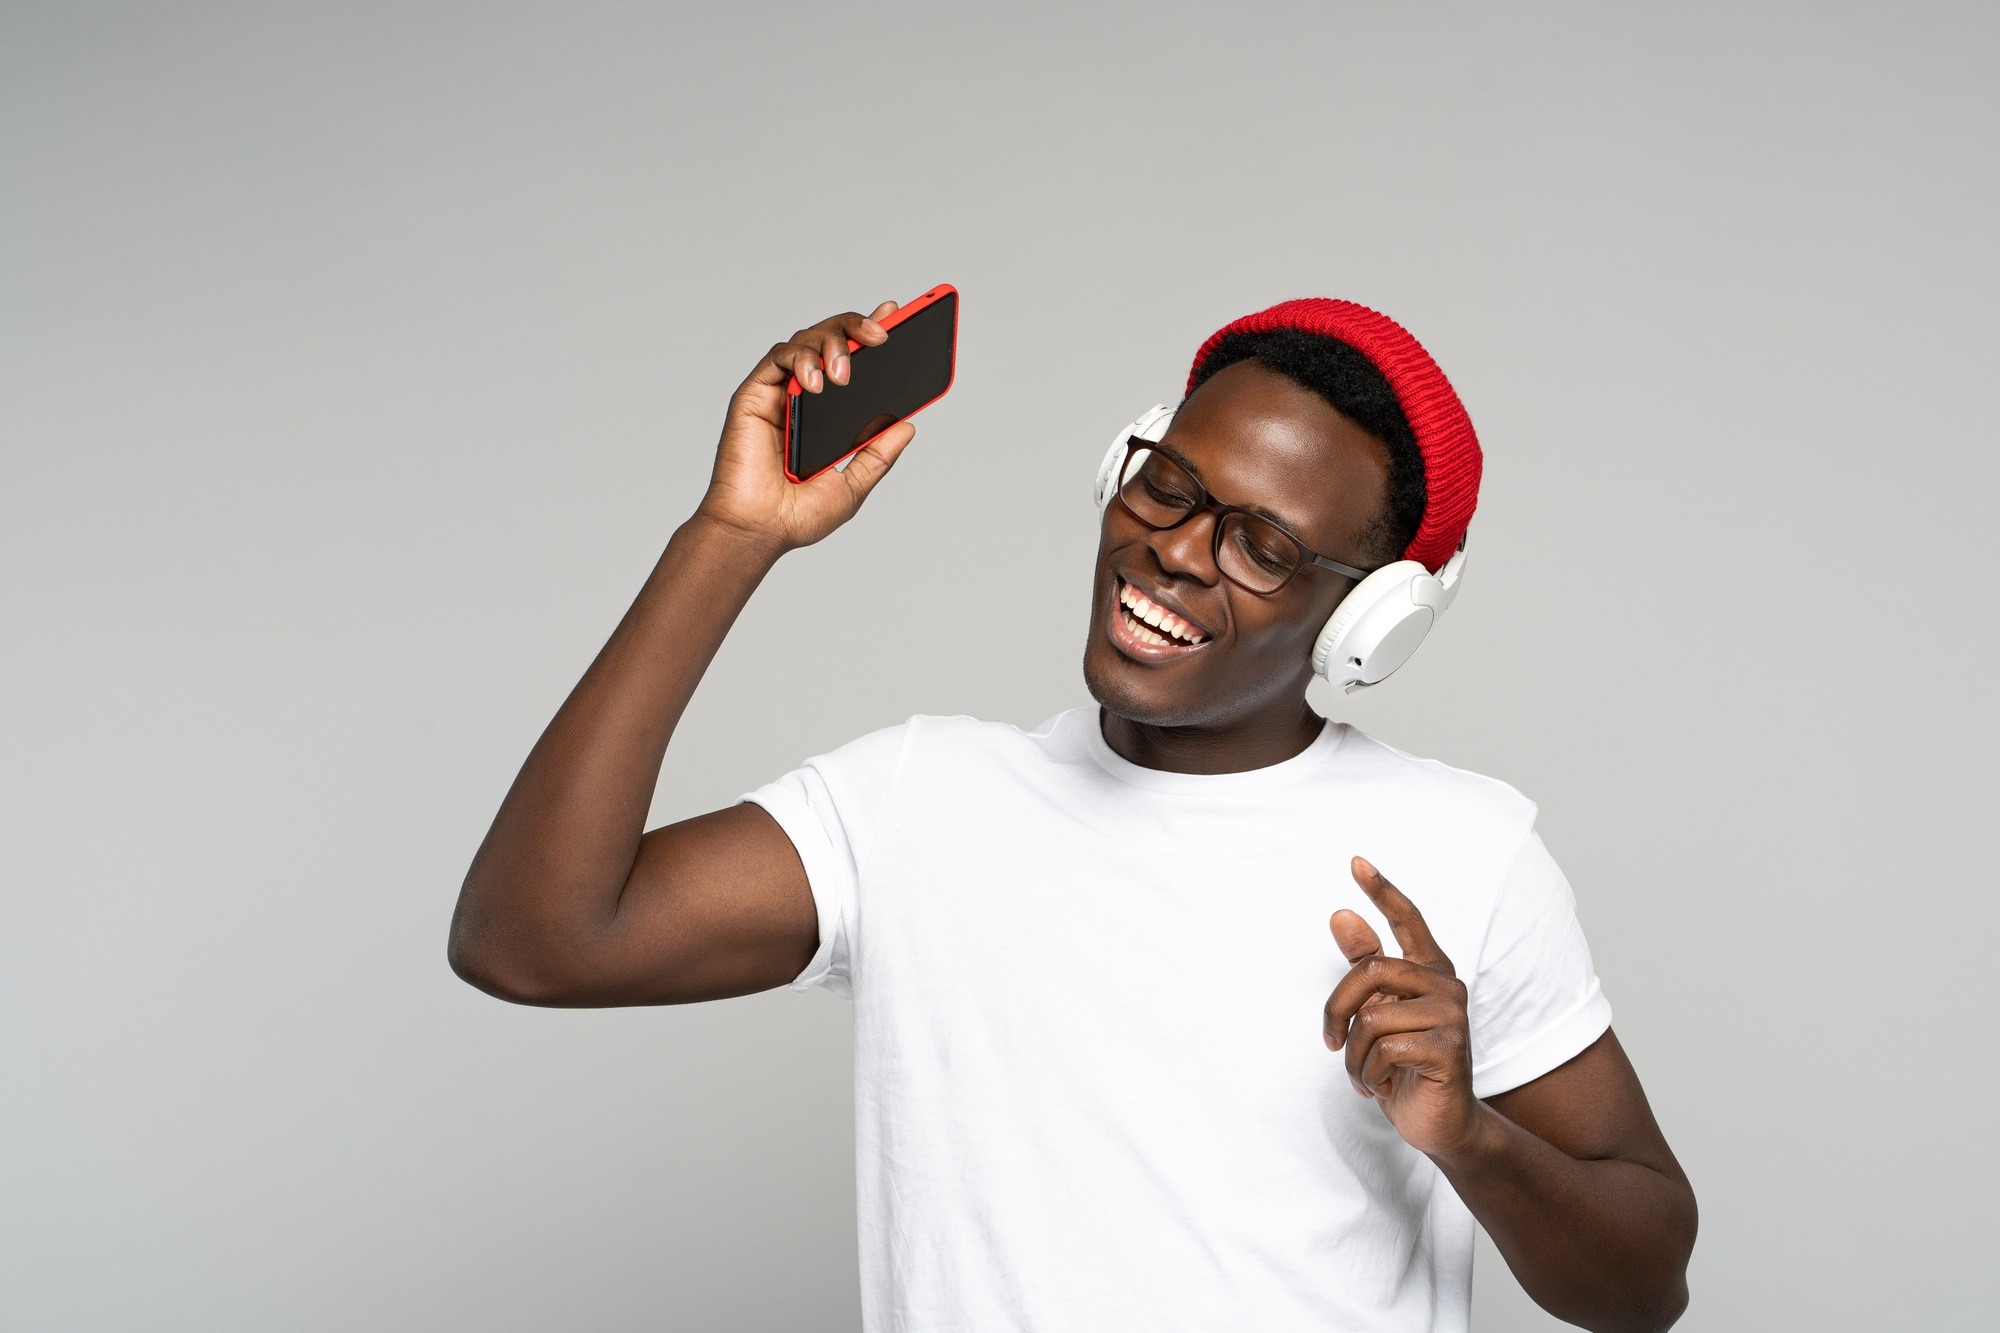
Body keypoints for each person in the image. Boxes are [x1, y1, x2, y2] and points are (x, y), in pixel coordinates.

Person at [448, 295, 1697, 1333]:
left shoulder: (1461, 854)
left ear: (1368, 623)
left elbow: (1644, 1283)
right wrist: (732, 532)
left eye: (1262, 545)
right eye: (1168, 486)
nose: (1174, 549)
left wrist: (1472, 1138)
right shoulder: (915, 801)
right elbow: (533, 940)